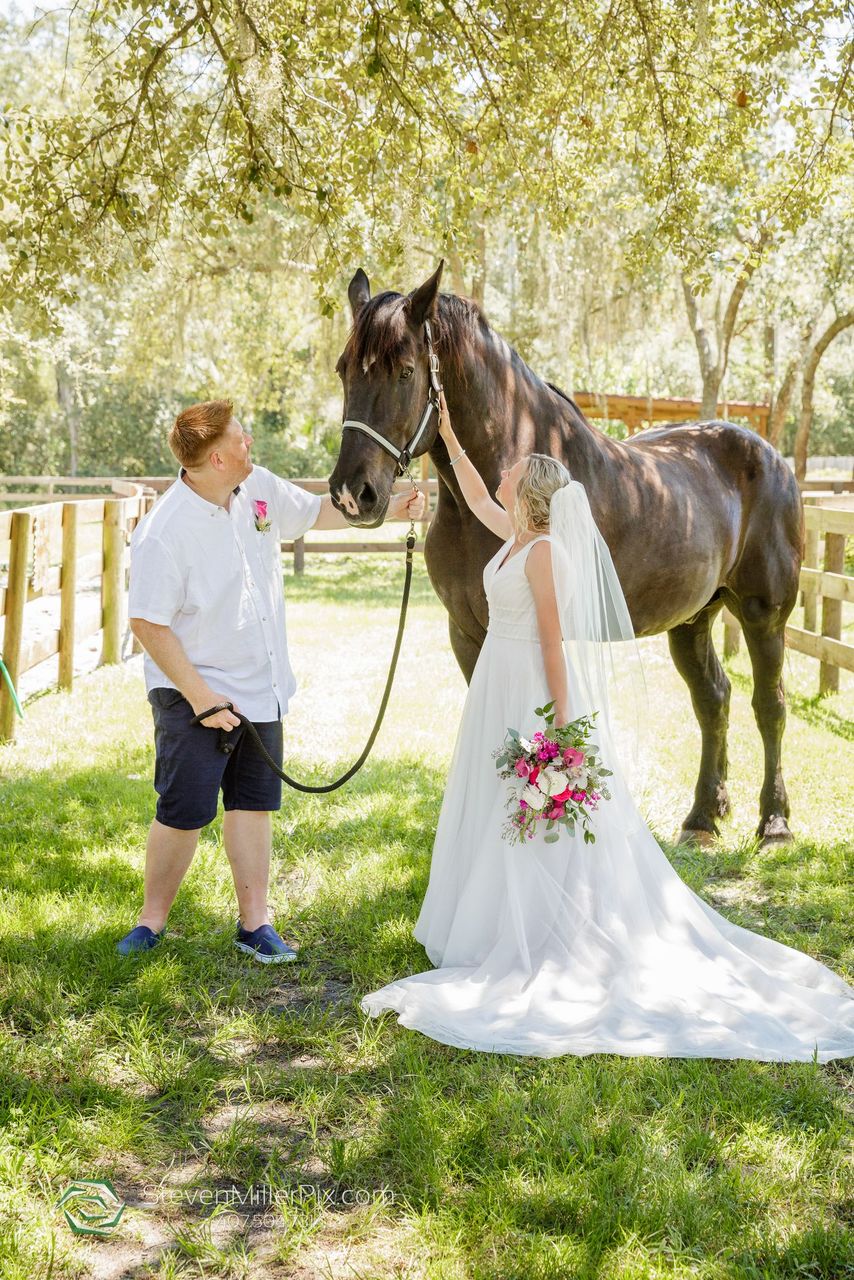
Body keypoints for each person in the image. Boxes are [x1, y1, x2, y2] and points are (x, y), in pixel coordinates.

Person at [360, 393, 854, 1060]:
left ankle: (547, 927)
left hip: (530, 688)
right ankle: (498, 918)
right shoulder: (515, 537)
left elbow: (556, 645)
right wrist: (446, 432)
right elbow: (474, 495)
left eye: (510, 474)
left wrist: (563, 731)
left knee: (540, 814)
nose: (499, 476)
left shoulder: (539, 557)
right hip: (499, 693)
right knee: (503, 805)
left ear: (529, 495)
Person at [120, 399, 425, 963]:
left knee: (253, 805)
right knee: (183, 809)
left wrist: (394, 505)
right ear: (215, 457)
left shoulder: (257, 487)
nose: (250, 441)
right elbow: (147, 622)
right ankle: (150, 922)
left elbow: (315, 512)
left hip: (261, 686)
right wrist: (202, 697)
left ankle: (254, 923)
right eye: (241, 437)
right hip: (194, 690)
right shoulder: (165, 531)